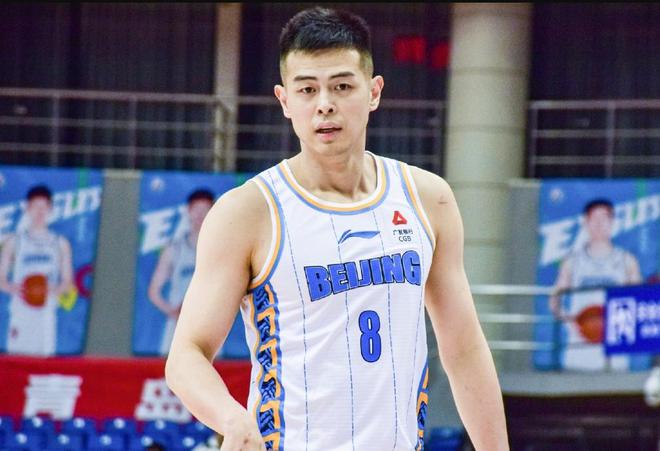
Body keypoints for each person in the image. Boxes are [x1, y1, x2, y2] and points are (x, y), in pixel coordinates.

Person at [166, 7, 508, 451]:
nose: (324, 103)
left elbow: (464, 351)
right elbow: (186, 355)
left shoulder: (428, 199)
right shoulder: (247, 212)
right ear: (284, 101)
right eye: (307, 89)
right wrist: (230, 418)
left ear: (374, 91)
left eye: (342, 86)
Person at [550, 198, 643, 371]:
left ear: (612, 222)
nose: (599, 224)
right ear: (586, 222)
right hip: (579, 352)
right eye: (594, 218)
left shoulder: (627, 260)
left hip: (615, 352)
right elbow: (556, 297)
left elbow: (640, 301)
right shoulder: (572, 261)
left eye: (604, 218)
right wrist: (571, 322)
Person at [0, 184, 73, 356]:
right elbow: (1, 278)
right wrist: (13, 288)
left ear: (51, 209)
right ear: (27, 208)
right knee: (17, 363)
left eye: (44, 207)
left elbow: (67, 282)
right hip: (20, 313)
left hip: (46, 313)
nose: (39, 213)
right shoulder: (13, 241)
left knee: (44, 363)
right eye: (35, 207)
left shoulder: (60, 243)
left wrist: (52, 290)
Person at [148, 188, 214, 356]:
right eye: (197, 210)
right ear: (188, 211)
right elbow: (154, 291)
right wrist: (173, 312)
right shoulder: (174, 248)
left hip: (209, 327)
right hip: (177, 327)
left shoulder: (219, 249)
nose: (200, 215)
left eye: (205, 210)